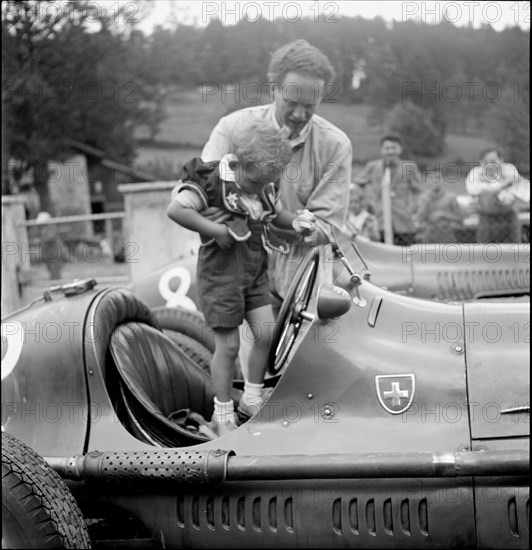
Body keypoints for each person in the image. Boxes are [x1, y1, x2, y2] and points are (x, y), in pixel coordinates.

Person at [167, 122, 316, 436]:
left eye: (265, 182)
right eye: (254, 179)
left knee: (265, 334)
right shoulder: (210, 182)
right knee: (229, 345)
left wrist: (298, 221)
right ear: (236, 162)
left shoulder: (262, 186)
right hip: (221, 277)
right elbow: (176, 211)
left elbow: (276, 216)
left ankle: (251, 397)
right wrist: (216, 231)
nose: (257, 187)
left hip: (253, 272)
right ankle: (222, 413)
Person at [201, 39, 352, 313]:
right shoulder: (232, 129)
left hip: (302, 275)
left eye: (310, 105)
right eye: (292, 102)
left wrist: (302, 228)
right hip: (238, 271)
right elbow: (200, 194)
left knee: (302, 354)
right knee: (244, 350)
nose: (299, 114)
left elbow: (327, 225)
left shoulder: (335, 146)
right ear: (274, 88)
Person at [355, 135, 422, 245]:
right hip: (379, 219)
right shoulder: (372, 167)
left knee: (405, 255)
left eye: (394, 148)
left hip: (403, 220)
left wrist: (413, 209)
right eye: (387, 148)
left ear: (400, 149)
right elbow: (358, 185)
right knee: (380, 255)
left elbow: (418, 191)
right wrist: (368, 203)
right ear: (382, 150)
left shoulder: (409, 167)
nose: (390, 151)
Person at [466, 147, 530, 243]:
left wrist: (492, 187)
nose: (490, 164)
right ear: (481, 162)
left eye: (493, 161)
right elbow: (472, 189)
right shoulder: (476, 172)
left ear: (501, 160)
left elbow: (523, 190)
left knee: (513, 252)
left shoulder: (508, 169)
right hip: (487, 218)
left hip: (509, 217)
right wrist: (502, 184)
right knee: (485, 252)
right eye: (486, 161)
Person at [415, 178, 463, 243]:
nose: (434, 181)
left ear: (441, 181)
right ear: (427, 182)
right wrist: (425, 206)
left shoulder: (450, 197)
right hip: (428, 234)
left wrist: (443, 214)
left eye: (437, 179)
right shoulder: (424, 198)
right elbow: (419, 219)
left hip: (446, 233)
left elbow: (460, 218)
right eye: (431, 178)